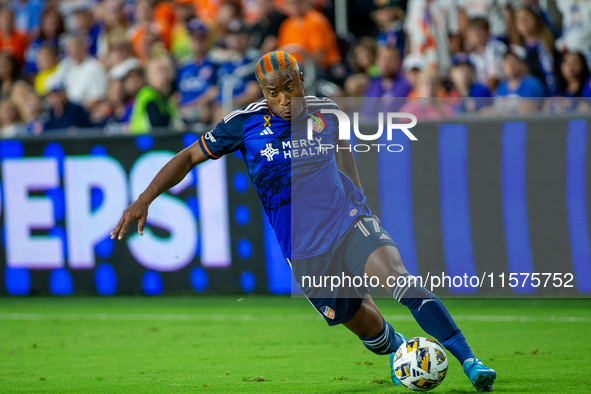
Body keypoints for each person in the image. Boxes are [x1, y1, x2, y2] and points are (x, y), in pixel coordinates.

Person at [111, 50, 497, 393]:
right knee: (365, 325)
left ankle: (470, 360)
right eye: (271, 92)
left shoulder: (327, 112)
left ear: (300, 80)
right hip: (304, 249)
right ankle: (402, 353)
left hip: (348, 222)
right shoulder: (243, 125)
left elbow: (345, 157)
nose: (282, 99)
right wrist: (144, 199)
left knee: (400, 281)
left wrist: (361, 205)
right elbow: (188, 157)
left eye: (287, 88)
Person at [176, 18, 218, 124]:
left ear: (207, 39)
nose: (197, 41)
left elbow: (214, 91)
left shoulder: (214, 63)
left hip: (203, 111)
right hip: (182, 112)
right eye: (193, 38)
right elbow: (176, 94)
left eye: (201, 38)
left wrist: (195, 105)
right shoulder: (183, 65)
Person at [129, 56, 178, 133]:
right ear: (148, 76)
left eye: (165, 70)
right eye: (158, 72)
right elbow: (157, 126)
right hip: (143, 141)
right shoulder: (147, 95)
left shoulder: (167, 99)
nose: (163, 75)